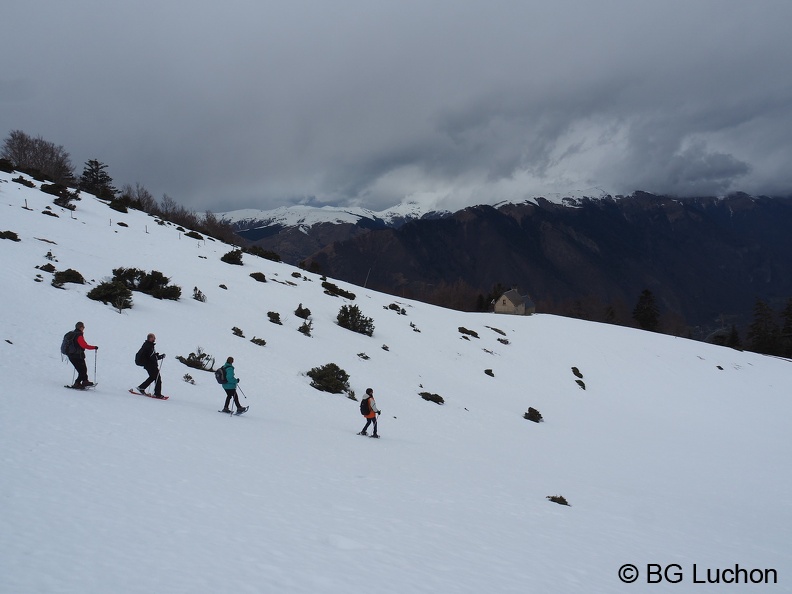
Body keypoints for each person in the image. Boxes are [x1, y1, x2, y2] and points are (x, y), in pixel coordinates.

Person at [68, 321, 98, 388]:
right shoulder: (78, 336)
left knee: (83, 369)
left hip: (73, 355)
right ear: (80, 327)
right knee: (82, 370)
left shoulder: (73, 334)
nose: (84, 328)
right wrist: (94, 347)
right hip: (77, 356)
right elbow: (84, 345)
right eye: (83, 327)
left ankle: (85, 381)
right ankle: (77, 383)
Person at [135, 333, 165, 398]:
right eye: (154, 338)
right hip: (150, 365)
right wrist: (160, 357)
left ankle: (141, 387)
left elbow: (150, 355)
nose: (155, 339)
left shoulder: (147, 345)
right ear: (150, 338)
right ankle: (157, 394)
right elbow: (152, 357)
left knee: (153, 377)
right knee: (157, 378)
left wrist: (157, 356)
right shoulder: (149, 346)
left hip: (148, 364)